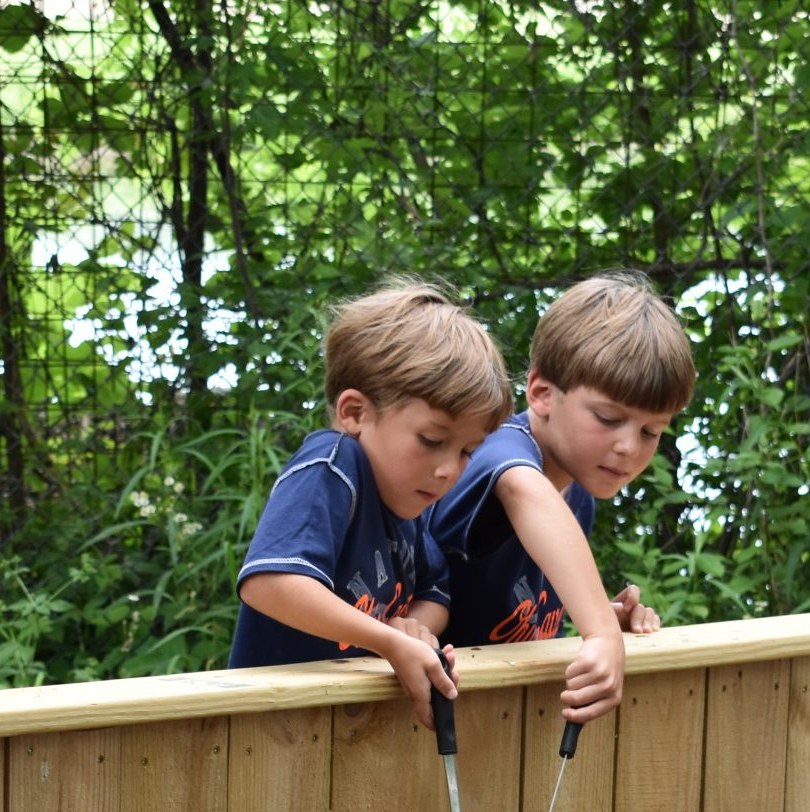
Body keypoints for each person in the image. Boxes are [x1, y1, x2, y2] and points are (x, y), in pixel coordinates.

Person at [227, 280, 512, 727]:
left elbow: (436, 593)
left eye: (465, 452)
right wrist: (387, 641)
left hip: (338, 733)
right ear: (356, 413)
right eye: (432, 440)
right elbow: (271, 582)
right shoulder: (334, 467)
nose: (449, 472)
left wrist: (414, 628)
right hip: (266, 732)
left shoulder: (407, 505)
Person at [425, 272, 695, 725]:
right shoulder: (500, 450)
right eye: (609, 418)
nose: (630, 446)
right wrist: (602, 631)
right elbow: (522, 490)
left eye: (652, 431)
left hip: (492, 719)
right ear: (542, 393)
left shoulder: (578, 490)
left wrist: (591, 617)